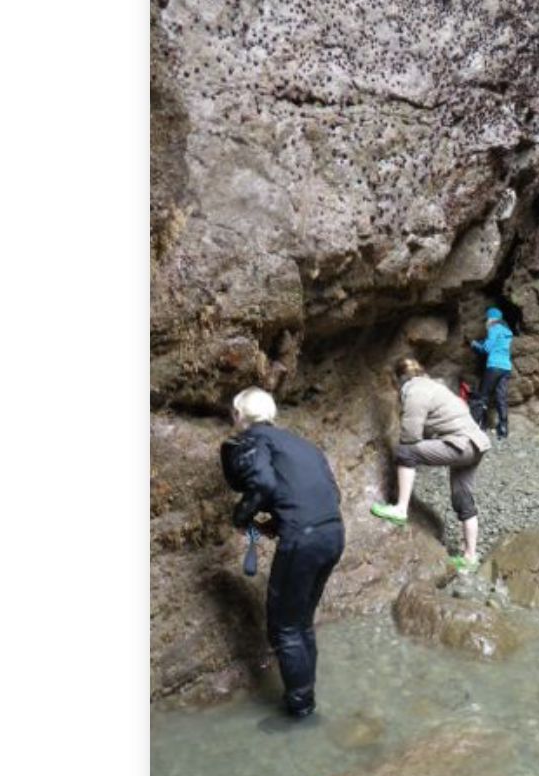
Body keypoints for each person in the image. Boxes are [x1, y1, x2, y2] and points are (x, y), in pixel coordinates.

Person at [220, 387, 344, 720]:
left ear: (239, 415)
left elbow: (262, 483)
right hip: (332, 532)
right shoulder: (301, 444)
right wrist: (279, 518)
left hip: (303, 539)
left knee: (285, 628)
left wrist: (242, 517)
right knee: (301, 623)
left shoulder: (253, 440)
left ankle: (301, 710)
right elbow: (333, 492)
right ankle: (307, 697)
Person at [370, 356, 491, 571]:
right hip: (477, 445)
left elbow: (411, 435)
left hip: (461, 444)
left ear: (400, 379)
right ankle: (470, 557)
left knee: (405, 451)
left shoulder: (414, 391)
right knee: (462, 496)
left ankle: (400, 508)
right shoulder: (435, 386)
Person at [470, 306, 513, 438]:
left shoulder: (493, 328)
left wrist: (474, 344)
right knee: (501, 397)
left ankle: (477, 428)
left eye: (487, 318)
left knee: (482, 397)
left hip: (494, 365)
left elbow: (487, 349)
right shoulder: (507, 331)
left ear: (492, 318)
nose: (486, 321)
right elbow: (498, 345)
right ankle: (503, 429)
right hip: (505, 367)